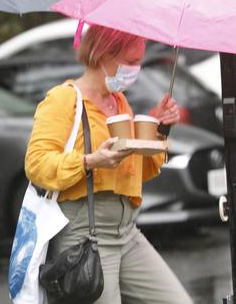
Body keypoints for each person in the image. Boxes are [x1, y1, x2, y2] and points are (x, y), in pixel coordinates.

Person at [25, 24, 193, 304]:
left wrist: (160, 129)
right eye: (131, 61)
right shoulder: (64, 99)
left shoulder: (119, 102)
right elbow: (37, 164)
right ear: (103, 55)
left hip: (126, 229)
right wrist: (90, 161)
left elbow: (136, 173)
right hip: (85, 232)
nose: (136, 69)